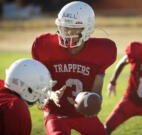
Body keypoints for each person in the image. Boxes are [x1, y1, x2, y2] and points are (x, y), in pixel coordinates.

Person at [31, 1, 117, 135]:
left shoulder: (102, 50)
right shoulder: (45, 46)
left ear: (87, 29)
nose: (67, 32)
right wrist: (51, 94)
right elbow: (38, 85)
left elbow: (97, 90)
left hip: (83, 112)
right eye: (64, 27)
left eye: (72, 28)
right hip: (55, 112)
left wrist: (94, 103)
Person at [0, 58, 64, 135]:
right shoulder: (15, 108)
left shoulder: (4, 85)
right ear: (25, 87)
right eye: (39, 88)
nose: (42, 93)